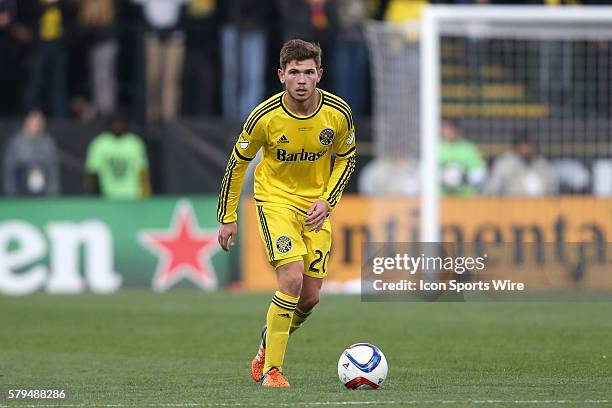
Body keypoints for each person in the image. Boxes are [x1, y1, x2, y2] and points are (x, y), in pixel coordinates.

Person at [217, 39, 356, 387]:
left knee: (309, 298)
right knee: (290, 279)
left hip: (315, 209)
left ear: (319, 75)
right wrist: (228, 216)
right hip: (274, 201)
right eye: (294, 72)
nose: (302, 80)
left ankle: (269, 340)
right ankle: (272, 371)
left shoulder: (338, 114)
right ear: (281, 75)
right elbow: (238, 165)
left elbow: (347, 158)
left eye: (308, 72)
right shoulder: (264, 117)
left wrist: (328, 200)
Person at [84, 112, 151, 199]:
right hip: (108, 199)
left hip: (133, 198)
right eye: (115, 123)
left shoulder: (134, 143)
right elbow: (92, 173)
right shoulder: (100, 144)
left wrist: (145, 196)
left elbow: (142, 173)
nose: (118, 126)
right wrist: (94, 197)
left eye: (120, 123)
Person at [3, 110, 60, 196]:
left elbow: (53, 171)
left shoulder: (48, 143)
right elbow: (9, 170)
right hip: (20, 193)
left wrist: (52, 195)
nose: (35, 126)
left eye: (38, 124)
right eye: (32, 123)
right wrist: (11, 195)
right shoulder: (16, 142)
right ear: (26, 123)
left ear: (42, 125)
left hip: (43, 194)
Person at [484, 131, 558, 197]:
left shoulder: (542, 165)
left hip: (542, 207)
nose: (526, 148)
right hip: (511, 208)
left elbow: (553, 191)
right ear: (516, 146)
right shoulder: (505, 164)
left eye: (529, 145)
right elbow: (492, 190)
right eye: (523, 145)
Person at [438, 120, 486, 196]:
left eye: (450, 129)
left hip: (465, 198)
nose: (447, 132)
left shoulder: (468, 149)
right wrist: (443, 178)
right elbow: (425, 172)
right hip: (440, 198)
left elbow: (479, 173)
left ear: (457, 130)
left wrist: (462, 179)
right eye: (445, 129)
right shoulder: (434, 148)